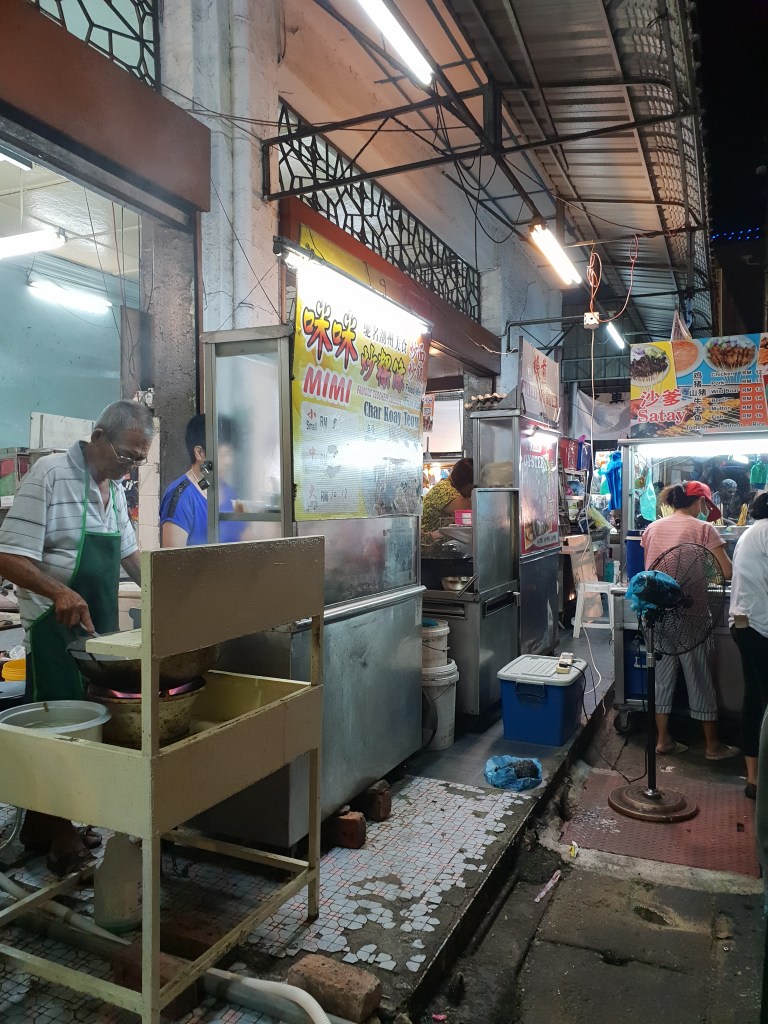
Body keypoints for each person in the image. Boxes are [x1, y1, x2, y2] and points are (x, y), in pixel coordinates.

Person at [0, 401, 154, 874]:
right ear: (99, 436)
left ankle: (43, 825)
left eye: (138, 462)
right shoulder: (49, 475)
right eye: (126, 456)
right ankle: (61, 836)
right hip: (53, 629)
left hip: (95, 634)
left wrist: (169, 588)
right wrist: (59, 590)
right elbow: (7, 557)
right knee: (61, 731)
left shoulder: (111, 489)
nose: (129, 468)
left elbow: (131, 559)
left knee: (91, 728)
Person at [640, 481, 738, 760]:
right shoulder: (703, 528)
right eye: (706, 504)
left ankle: (662, 741)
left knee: (661, 678)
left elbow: (657, 564)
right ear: (700, 502)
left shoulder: (653, 528)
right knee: (699, 677)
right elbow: (726, 571)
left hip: (655, 612)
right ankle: (712, 746)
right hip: (691, 613)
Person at [729, 492, 768, 799]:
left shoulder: (750, 534)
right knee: (762, 702)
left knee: (755, 700)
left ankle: (754, 779)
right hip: (761, 628)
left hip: (744, 625)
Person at [159, 414, 243, 547]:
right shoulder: (181, 496)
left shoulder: (229, 492)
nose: (229, 461)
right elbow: (173, 560)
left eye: (231, 454)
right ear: (199, 453)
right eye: (223, 454)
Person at [421, 458, 473, 534]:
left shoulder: (446, 485)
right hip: (429, 544)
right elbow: (473, 508)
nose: (472, 492)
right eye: (473, 487)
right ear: (468, 484)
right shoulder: (445, 490)